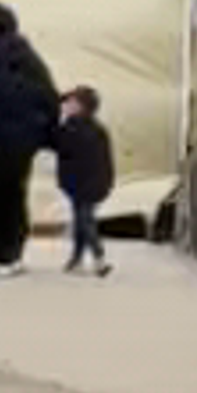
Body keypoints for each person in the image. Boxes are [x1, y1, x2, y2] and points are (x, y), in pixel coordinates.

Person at [0, 0, 62, 273]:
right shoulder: (30, 59)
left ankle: (1, 252)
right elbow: (49, 98)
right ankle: (14, 251)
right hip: (22, 142)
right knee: (16, 192)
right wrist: (42, 134)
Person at [56, 86, 121, 274]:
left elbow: (60, 146)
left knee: (85, 221)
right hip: (85, 184)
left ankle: (98, 257)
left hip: (85, 184)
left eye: (71, 103)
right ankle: (76, 259)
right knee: (80, 221)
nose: (66, 105)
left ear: (82, 107)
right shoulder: (95, 129)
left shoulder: (74, 128)